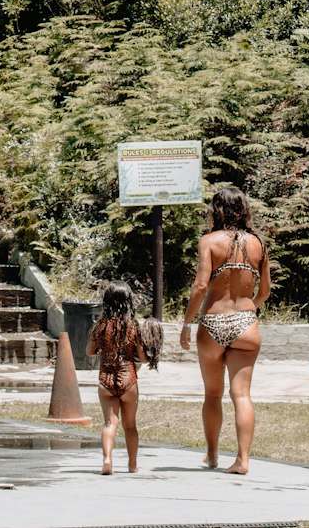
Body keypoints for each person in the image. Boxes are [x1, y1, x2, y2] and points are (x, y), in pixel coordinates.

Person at [179, 185, 270, 475]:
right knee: (241, 395)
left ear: (216, 210)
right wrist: (249, 309)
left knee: (212, 395)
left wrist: (186, 323)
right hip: (246, 322)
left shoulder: (208, 241)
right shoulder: (259, 243)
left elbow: (201, 286)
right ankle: (242, 460)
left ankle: (212, 455)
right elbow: (265, 290)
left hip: (213, 322)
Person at [85, 283, 161, 474]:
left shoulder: (100, 326)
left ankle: (107, 459)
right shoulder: (132, 326)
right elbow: (142, 358)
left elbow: (90, 352)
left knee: (109, 423)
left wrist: (105, 347)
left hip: (106, 380)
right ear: (128, 302)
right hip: (128, 380)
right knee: (130, 425)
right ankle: (132, 464)